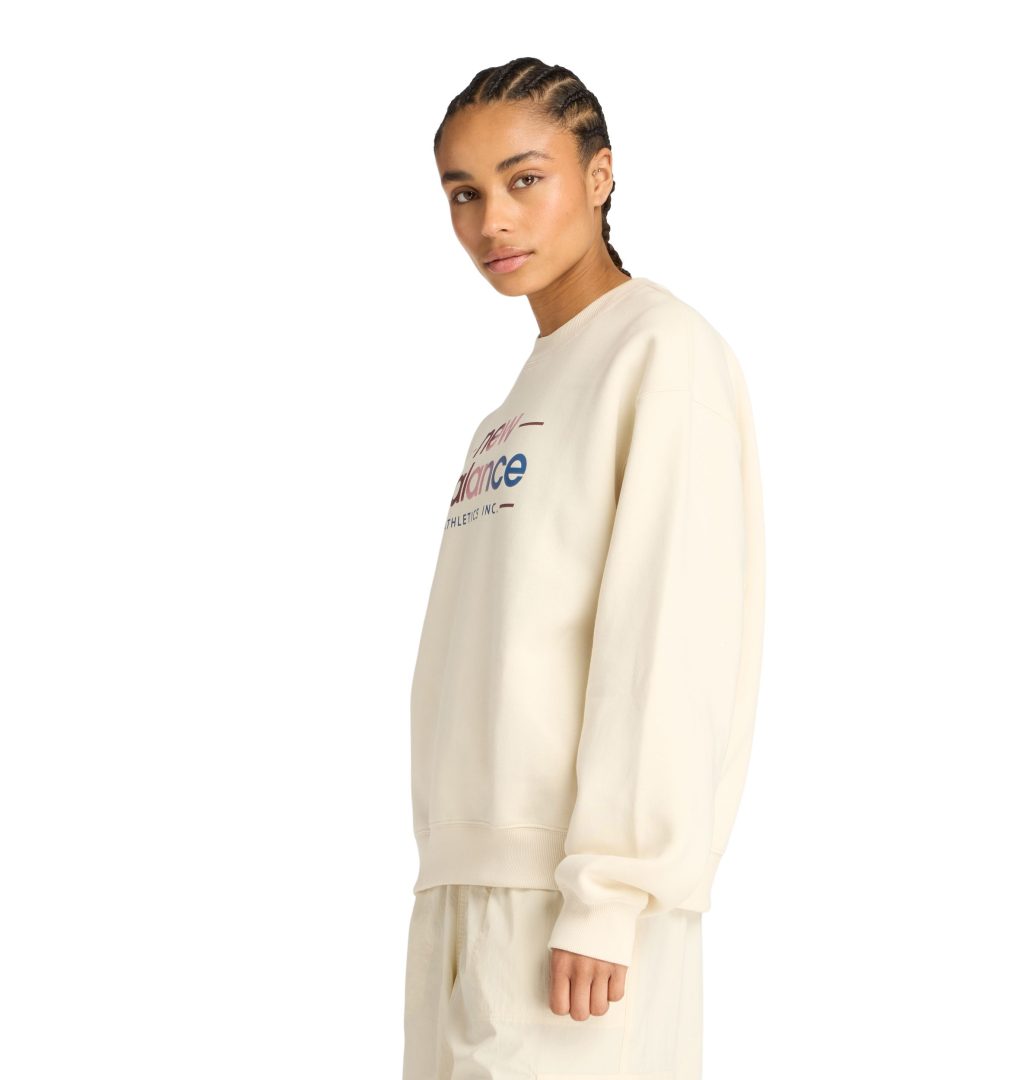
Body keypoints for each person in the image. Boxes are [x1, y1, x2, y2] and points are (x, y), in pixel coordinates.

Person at [403, 56, 765, 1080]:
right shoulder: (511, 405)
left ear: (600, 176)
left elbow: (670, 632)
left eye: (526, 179)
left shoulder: (660, 352)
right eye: (464, 194)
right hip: (464, 884)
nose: (492, 222)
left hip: (573, 906)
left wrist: (609, 892)